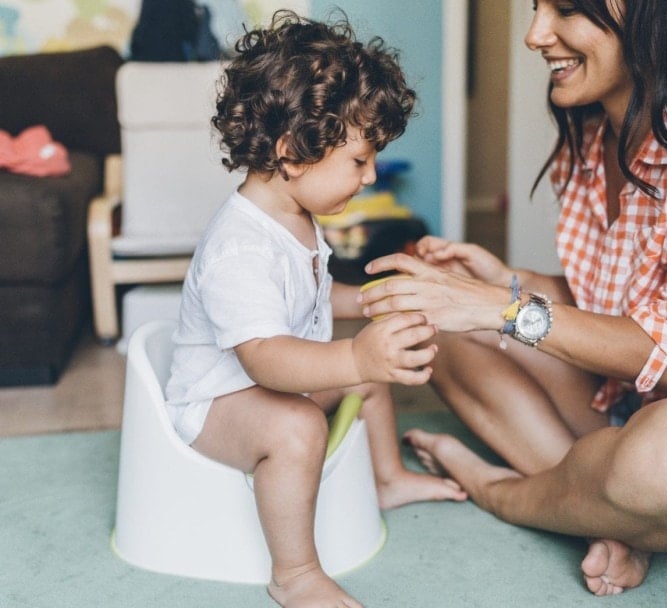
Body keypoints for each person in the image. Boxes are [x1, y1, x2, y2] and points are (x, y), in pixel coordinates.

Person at [359, 0, 667, 597]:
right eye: (535, 8)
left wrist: (498, 308)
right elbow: (618, 298)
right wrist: (505, 284)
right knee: (426, 319)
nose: (534, 36)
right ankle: (608, 515)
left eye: (568, 10)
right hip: (627, 402)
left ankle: (501, 490)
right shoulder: (593, 139)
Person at [164, 11, 466, 608]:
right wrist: (356, 354)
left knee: (368, 384)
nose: (371, 175)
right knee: (299, 424)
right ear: (292, 152)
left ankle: (387, 479)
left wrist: (369, 303)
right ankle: (295, 574)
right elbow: (268, 361)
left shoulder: (295, 217)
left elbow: (308, 296)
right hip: (215, 402)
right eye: (359, 161)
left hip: (264, 382)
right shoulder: (241, 246)